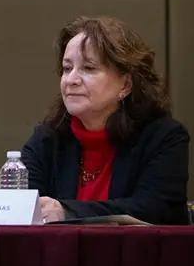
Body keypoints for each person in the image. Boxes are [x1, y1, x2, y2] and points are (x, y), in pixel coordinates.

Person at [21, 16, 189, 225]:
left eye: (88, 68)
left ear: (126, 85)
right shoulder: (47, 139)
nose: (71, 80)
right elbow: (20, 208)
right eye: (67, 68)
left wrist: (67, 212)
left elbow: (154, 209)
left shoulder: (163, 137)